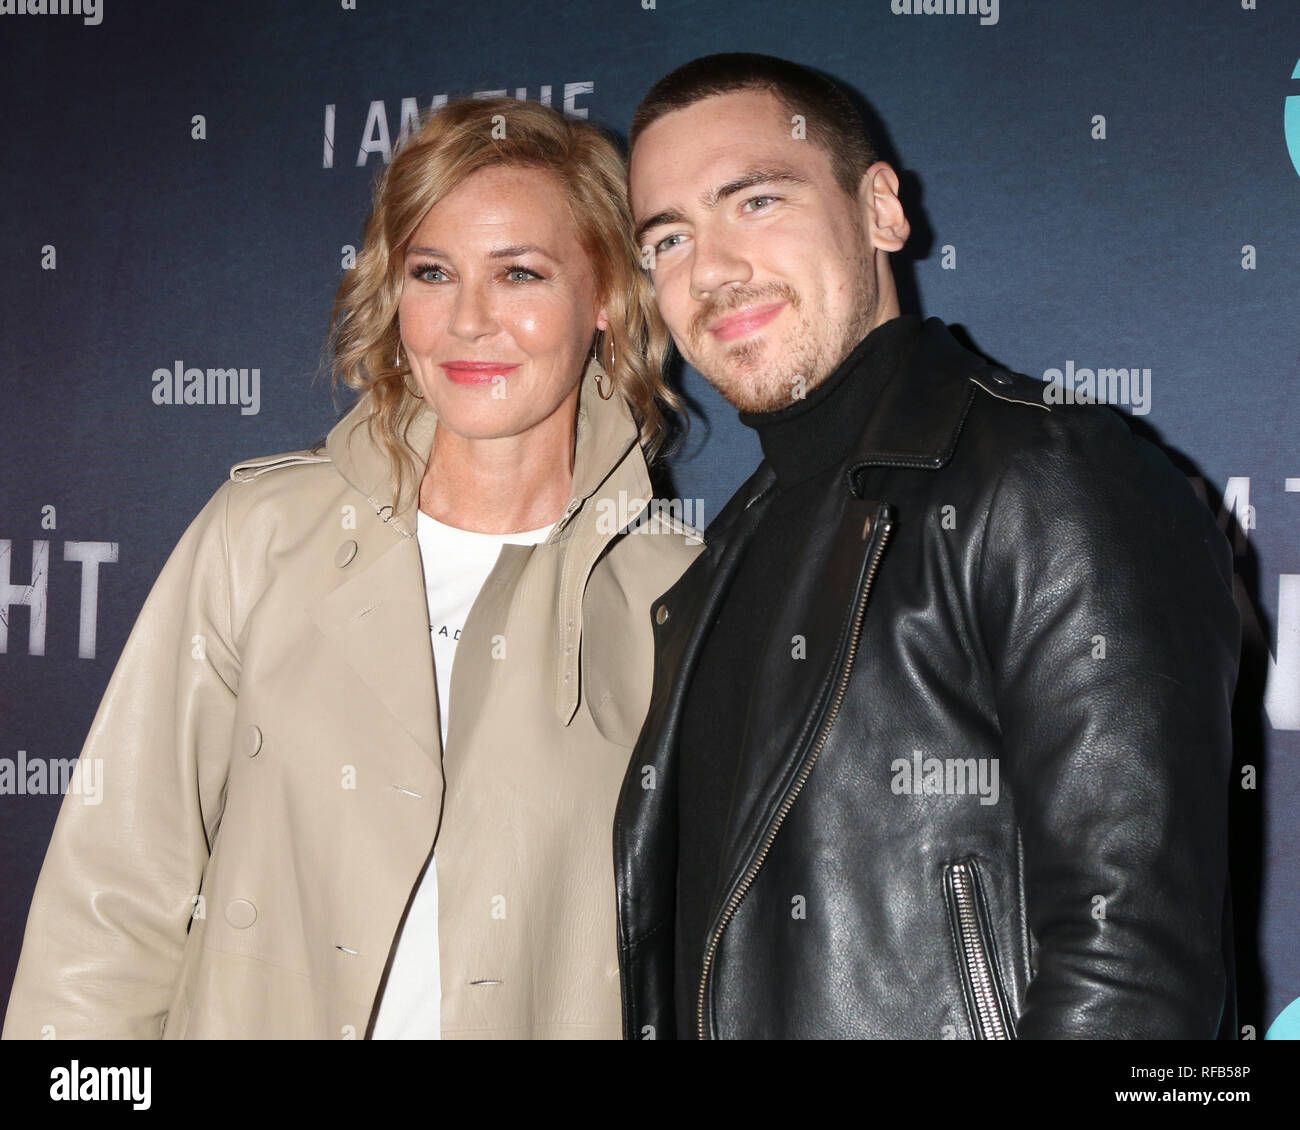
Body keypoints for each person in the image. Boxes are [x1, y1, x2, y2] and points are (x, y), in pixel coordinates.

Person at [2, 96, 701, 1040]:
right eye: (432, 272)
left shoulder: (680, 594)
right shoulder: (262, 535)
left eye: (520, 274)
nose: (468, 320)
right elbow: (112, 892)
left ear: (607, 300)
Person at [614, 53, 1241, 1039]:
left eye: (756, 202)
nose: (715, 269)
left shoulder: (1049, 472)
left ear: (881, 212)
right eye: (670, 237)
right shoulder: (715, 563)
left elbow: (1135, 970)